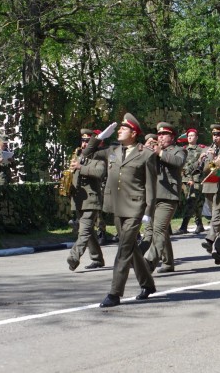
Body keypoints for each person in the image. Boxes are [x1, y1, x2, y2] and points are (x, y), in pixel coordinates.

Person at [83, 113, 157, 308]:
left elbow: (150, 185)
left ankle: (115, 293)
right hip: (117, 206)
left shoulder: (146, 154)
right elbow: (86, 155)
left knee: (123, 248)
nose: (118, 131)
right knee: (131, 248)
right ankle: (148, 284)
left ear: (133, 133)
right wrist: (98, 138)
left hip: (135, 207)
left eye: (123, 128)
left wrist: (149, 211)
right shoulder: (112, 151)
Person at [144, 123, 187, 273]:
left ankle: (150, 261)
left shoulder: (178, 150)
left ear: (172, 137)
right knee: (158, 230)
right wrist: (144, 149)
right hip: (152, 196)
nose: (160, 137)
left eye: (164, 134)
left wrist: (160, 153)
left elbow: (179, 162)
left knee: (159, 229)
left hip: (168, 196)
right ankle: (168, 263)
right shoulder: (153, 151)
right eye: (159, 134)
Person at [66, 129, 106, 271]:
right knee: (89, 233)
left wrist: (80, 167)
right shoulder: (77, 155)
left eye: (87, 141)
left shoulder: (98, 156)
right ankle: (97, 259)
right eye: (82, 141)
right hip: (78, 199)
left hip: (91, 200)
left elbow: (100, 172)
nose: (84, 144)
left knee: (84, 232)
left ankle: (73, 257)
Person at [200, 124, 220, 254]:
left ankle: (211, 241)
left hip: (219, 187)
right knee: (217, 219)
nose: (215, 137)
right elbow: (204, 169)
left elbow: (219, 169)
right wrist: (201, 160)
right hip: (208, 186)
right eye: (214, 134)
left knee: (217, 218)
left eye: (218, 135)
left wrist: (212, 159)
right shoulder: (207, 149)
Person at [174, 128, 205, 234]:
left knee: (191, 201)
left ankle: (184, 226)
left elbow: (202, 166)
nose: (190, 137)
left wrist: (193, 178)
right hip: (183, 179)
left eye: (192, 135)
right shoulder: (183, 149)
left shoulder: (201, 150)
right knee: (194, 202)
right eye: (189, 136)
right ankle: (199, 224)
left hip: (195, 179)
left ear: (196, 137)